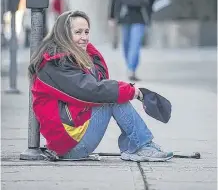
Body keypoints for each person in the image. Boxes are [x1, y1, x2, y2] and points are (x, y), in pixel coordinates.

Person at [29, 10, 173, 162]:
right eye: (78, 32)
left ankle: (138, 145)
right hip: (69, 146)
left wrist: (88, 51)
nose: (84, 37)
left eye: (86, 32)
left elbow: (98, 81)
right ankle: (140, 146)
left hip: (69, 139)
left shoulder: (69, 56)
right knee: (112, 98)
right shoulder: (56, 63)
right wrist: (133, 91)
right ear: (63, 34)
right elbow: (92, 90)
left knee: (113, 94)